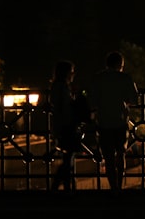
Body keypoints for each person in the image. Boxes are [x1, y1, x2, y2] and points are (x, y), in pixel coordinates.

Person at [88, 50, 139, 192]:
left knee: (108, 157)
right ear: (120, 64)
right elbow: (135, 99)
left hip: (103, 121)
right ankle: (119, 185)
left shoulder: (97, 78)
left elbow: (91, 101)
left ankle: (113, 187)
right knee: (120, 154)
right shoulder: (125, 78)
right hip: (120, 120)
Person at [49, 60, 81, 191]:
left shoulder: (58, 86)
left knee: (68, 157)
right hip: (66, 126)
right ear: (66, 73)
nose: (73, 74)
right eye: (71, 71)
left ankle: (66, 186)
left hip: (63, 125)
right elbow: (63, 108)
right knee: (69, 157)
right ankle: (61, 186)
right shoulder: (62, 87)